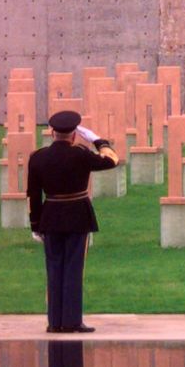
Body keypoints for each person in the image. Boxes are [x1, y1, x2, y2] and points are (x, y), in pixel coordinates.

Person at [27, 111, 119, 334]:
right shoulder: (81, 154)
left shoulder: (38, 157)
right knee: (73, 269)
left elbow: (34, 194)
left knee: (54, 268)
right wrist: (99, 141)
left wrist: (35, 224)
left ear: (52, 133)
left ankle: (55, 322)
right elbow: (111, 160)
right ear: (75, 135)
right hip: (77, 215)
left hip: (50, 216)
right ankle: (72, 321)